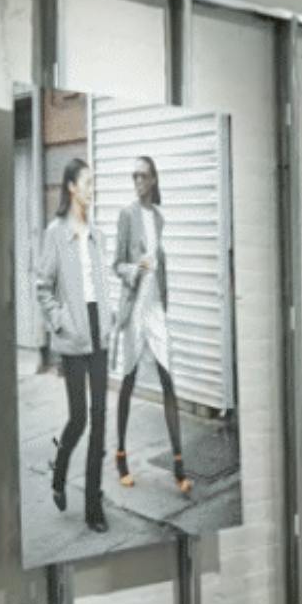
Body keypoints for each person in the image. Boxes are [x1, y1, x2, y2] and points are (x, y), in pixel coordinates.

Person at [36, 157, 111, 534]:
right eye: (87, 183)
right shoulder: (55, 233)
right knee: (79, 418)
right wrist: (60, 321)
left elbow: (100, 286)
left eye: (93, 183)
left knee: (100, 420)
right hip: (73, 333)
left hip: (99, 331)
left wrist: (110, 319)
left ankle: (93, 505)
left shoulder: (97, 234)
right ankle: (60, 468)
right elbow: (42, 287)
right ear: (70, 187)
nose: (92, 189)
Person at [112, 155, 193, 496]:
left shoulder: (158, 218)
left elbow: (162, 263)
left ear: (154, 179)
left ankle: (179, 466)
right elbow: (117, 263)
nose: (138, 182)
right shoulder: (126, 215)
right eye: (134, 176)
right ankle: (120, 456)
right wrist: (136, 269)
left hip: (155, 308)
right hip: (135, 309)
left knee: (167, 379)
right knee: (129, 381)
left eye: (143, 176)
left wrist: (165, 298)